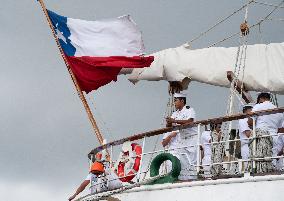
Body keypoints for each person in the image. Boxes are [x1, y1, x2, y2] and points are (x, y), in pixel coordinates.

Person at [247, 92, 284, 173]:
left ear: (260, 98)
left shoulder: (259, 106)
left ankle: (260, 172)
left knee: (259, 157)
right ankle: (272, 170)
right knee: (272, 156)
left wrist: (249, 118)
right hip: (274, 136)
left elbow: (250, 123)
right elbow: (280, 128)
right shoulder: (278, 110)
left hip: (261, 136)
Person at [166, 92, 197, 180]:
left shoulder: (189, 110)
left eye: (176, 101)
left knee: (192, 162)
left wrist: (174, 121)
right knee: (183, 160)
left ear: (182, 100)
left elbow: (190, 121)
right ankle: (183, 178)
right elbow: (169, 127)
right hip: (182, 140)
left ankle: (193, 179)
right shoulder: (175, 113)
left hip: (192, 138)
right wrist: (169, 122)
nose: (174, 103)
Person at [238, 104, 253, 170]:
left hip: (252, 145)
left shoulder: (251, 120)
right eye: (251, 110)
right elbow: (248, 134)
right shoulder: (243, 121)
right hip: (247, 145)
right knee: (248, 166)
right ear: (246, 111)